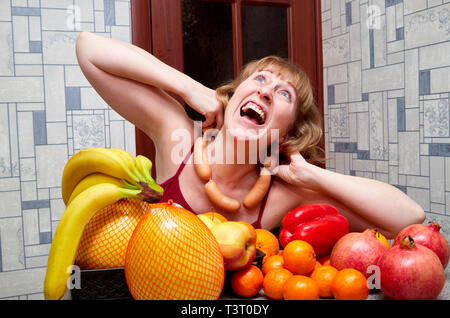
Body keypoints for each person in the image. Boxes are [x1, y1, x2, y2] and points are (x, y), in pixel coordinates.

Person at [75, 31, 425, 238]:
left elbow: (408, 218)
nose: (267, 91)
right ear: (232, 98)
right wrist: (189, 88)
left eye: (284, 93)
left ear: (287, 135)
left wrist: (312, 175)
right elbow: (89, 48)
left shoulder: (285, 193)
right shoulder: (177, 138)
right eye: (259, 79)